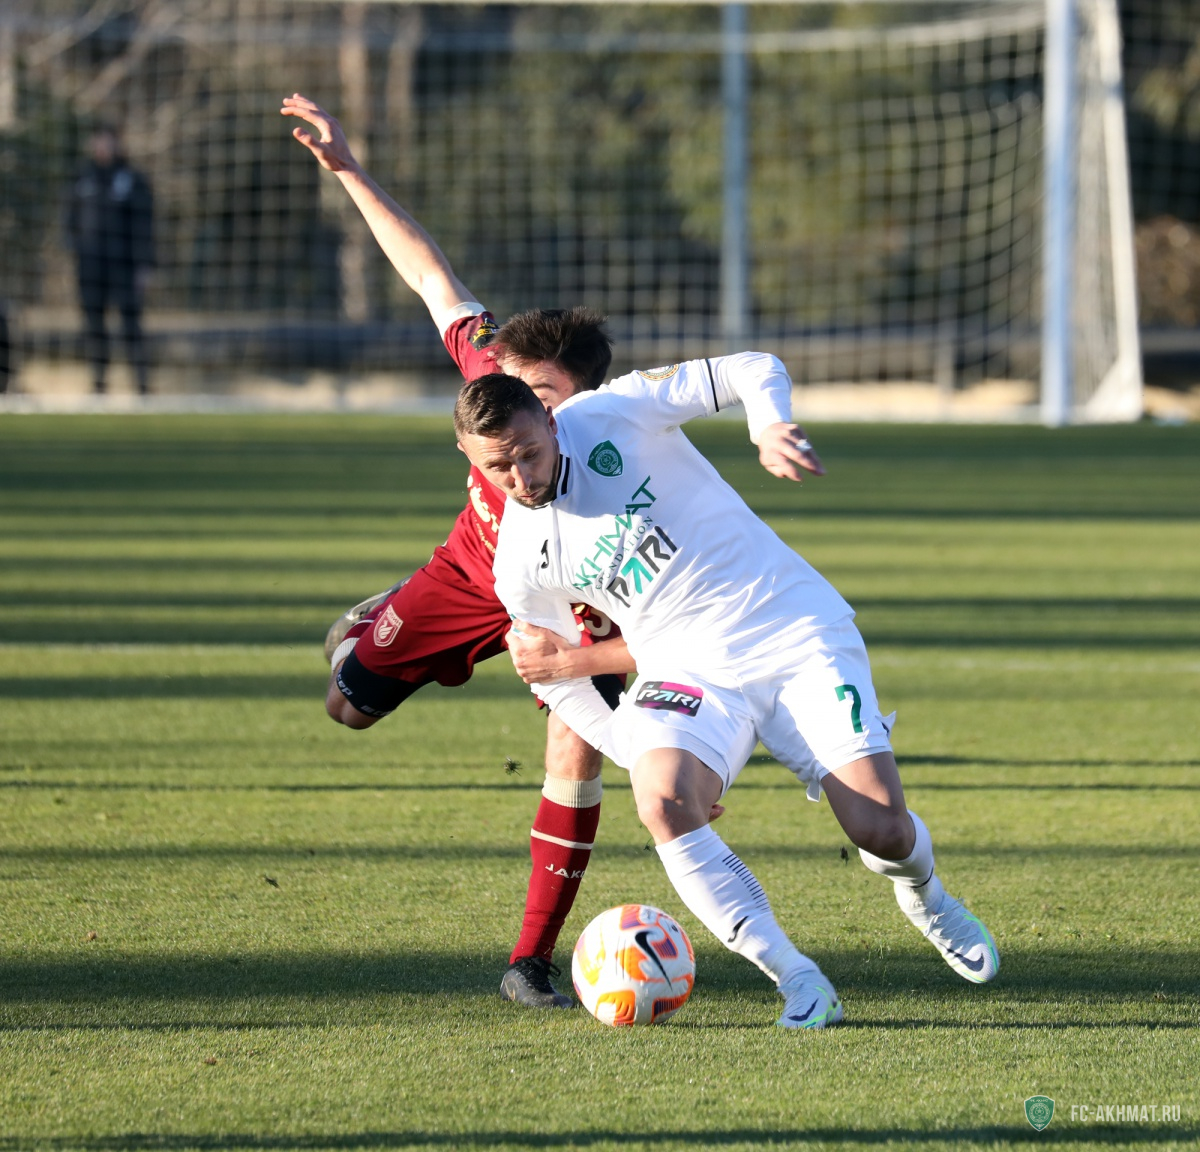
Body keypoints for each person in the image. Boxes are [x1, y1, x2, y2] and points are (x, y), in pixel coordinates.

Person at [457, 368, 1001, 1028]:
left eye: (529, 453)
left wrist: (767, 425)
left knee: (881, 829)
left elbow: (751, 366)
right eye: (499, 467)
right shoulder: (520, 562)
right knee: (662, 798)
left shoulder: (611, 412)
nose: (520, 477)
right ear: (469, 457)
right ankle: (798, 980)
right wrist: (636, 748)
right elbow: (554, 679)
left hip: (791, 627)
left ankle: (925, 896)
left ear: (550, 420)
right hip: (688, 673)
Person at [282, 94, 642, 1009]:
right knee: (346, 709)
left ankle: (530, 960)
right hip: (467, 577)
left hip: (569, 606)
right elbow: (428, 275)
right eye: (515, 391)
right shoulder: (496, 377)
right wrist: (350, 171)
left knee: (575, 743)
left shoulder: (626, 463)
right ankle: (379, 616)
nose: (516, 414)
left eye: (543, 402)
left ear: (586, 405)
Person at [64, 124, 154, 396]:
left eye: (107, 141)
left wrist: (145, 264)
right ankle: (99, 386)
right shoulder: (82, 177)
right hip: (90, 265)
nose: (102, 146)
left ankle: (141, 387)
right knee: (94, 326)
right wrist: (73, 249)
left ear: (117, 144)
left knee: (131, 325)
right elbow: (69, 219)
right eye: (98, 141)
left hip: (124, 265)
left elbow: (145, 225)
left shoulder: (132, 178)